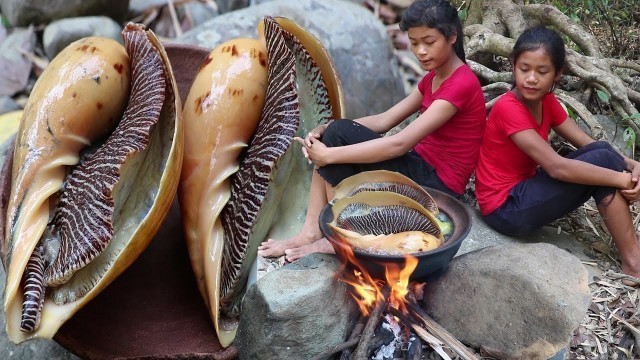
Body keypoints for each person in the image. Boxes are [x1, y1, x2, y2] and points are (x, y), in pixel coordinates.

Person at [258, 0, 486, 261]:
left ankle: (343, 236)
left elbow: (399, 144)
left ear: (452, 37)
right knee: (334, 134)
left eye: (429, 42)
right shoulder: (432, 78)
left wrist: (330, 155)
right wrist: (325, 127)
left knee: (335, 142)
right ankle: (312, 231)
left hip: (438, 185)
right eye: (414, 43)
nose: (420, 51)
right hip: (420, 166)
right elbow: (384, 120)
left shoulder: (462, 83)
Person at [475, 25, 640, 280]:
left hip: (524, 191)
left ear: (557, 74)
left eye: (542, 71)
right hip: (505, 209)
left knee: (603, 152)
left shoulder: (547, 101)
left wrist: (632, 165)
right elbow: (556, 167)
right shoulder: (508, 108)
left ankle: (634, 258)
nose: (531, 78)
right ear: (513, 66)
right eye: (524, 69)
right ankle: (634, 264)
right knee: (605, 163)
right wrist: (622, 179)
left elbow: (589, 144)